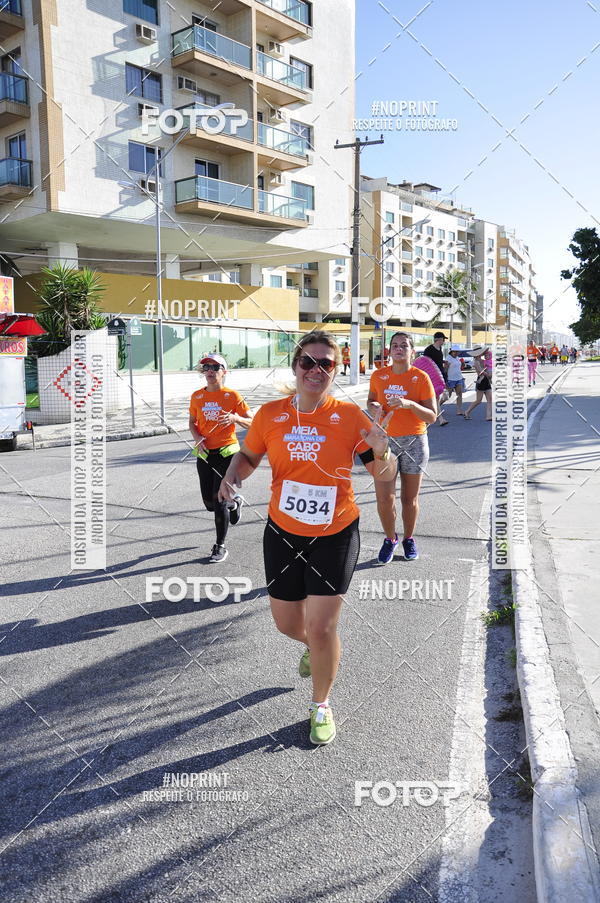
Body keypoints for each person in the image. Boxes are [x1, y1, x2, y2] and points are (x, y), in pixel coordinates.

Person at [218, 331, 396, 746]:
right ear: (295, 366)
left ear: (336, 370)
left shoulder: (351, 418)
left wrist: (383, 451)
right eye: (309, 362)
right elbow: (248, 456)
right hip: (282, 531)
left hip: (335, 532)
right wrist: (232, 474)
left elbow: (383, 476)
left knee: (321, 627)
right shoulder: (270, 414)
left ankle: (321, 704)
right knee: (287, 624)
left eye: (327, 364)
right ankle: (317, 652)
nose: (317, 370)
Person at [367, 331, 437, 564]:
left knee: (409, 499)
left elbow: (432, 416)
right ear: (389, 351)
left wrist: (409, 404)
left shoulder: (420, 378)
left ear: (412, 351)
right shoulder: (378, 376)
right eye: (394, 345)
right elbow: (370, 401)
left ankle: (408, 538)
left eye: (404, 345)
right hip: (385, 441)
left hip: (415, 441)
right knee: (385, 499)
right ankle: (390, 539)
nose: (398, 349)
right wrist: (374, 406)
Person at [189, 353, 253, 563]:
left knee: (219, 502)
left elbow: (253, 422)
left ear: (224, 372)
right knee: (209, 503)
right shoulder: (197, 396)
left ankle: (220, 545)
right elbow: (192, 422)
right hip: (205, 454)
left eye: (215, 367)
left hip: (227, 454)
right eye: (206, 367)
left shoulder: (232, 396)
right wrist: (197, 437)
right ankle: (234, 504)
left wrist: (235, 417)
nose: (209, 371)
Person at [422, 331, 449, 426]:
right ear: (439, 339)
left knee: (444, 396)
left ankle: (429, 414)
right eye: (443, 339)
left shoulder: (440, 349)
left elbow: (437, 361)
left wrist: (443, 362)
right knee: (436, 398)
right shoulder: (428, 350)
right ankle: (440, 418)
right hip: (432, 377)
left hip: (440, 375)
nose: (444, 341)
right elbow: (425, 363)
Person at [463, 345, 493, 421]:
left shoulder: (483, 360)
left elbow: (489, 367)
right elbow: (481, 372)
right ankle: (467, 411)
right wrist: (489, 374)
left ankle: (488, 416)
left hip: (487, 381)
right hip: (481, 380)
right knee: (478, 400)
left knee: (490, 399)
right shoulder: (476, 362)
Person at [445, 345, 466, 414]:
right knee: (448, 395)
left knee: (459, 394)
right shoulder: (448, 358)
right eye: (455, 351)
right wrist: (445, 379)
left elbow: (460, 368)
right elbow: (445, 369)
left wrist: (463, 364)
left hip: (459, 378)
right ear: (451, 352)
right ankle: (437, 407)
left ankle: (459, 410)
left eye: (458, 352)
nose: (457, 353)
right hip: (450, 379)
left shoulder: (457, 358)